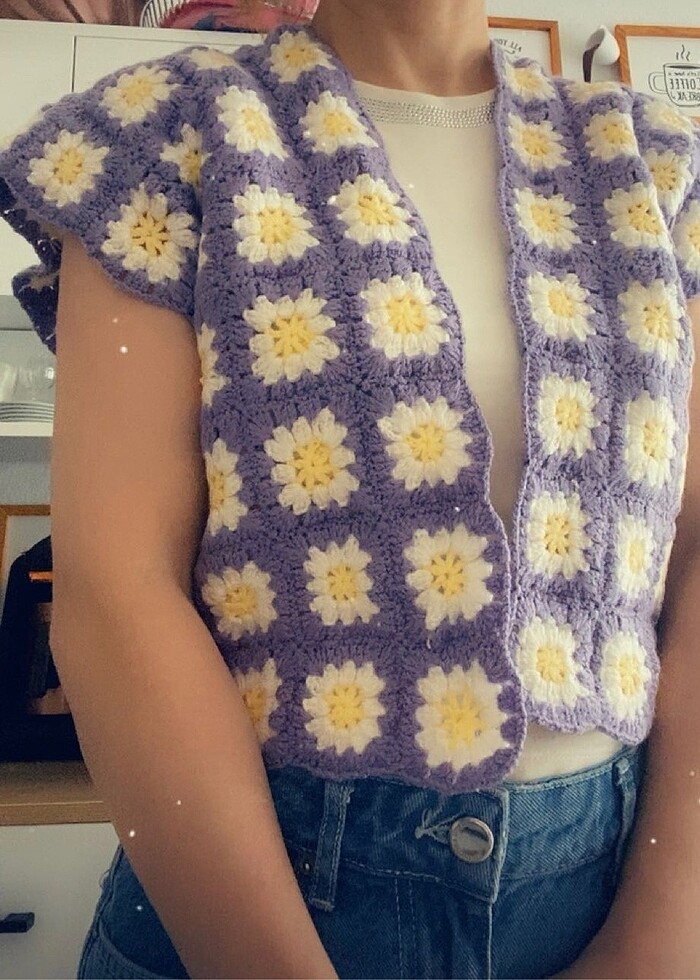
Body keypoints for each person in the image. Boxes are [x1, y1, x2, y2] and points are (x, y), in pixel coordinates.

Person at [0, 1, 699, 977]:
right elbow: (116, 593)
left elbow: (691, 556)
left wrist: (666, 928)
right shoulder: (163, 135)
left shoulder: (652, 164)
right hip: (256, 888)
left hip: (609, 881)